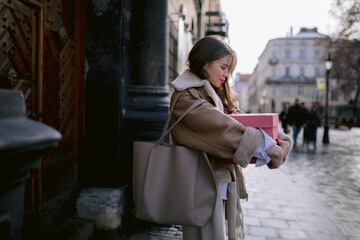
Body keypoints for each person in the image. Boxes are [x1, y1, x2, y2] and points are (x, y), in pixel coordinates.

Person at [169, 35, 292, 240]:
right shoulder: (186, 96)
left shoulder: (211, 92)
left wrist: (279, 138)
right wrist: (267, 146)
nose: (226, 75)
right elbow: (221, 128)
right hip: (199, 185)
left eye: (229, 69)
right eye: (223, 67)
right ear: (205, 62)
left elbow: (240, 121)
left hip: (219, 182)